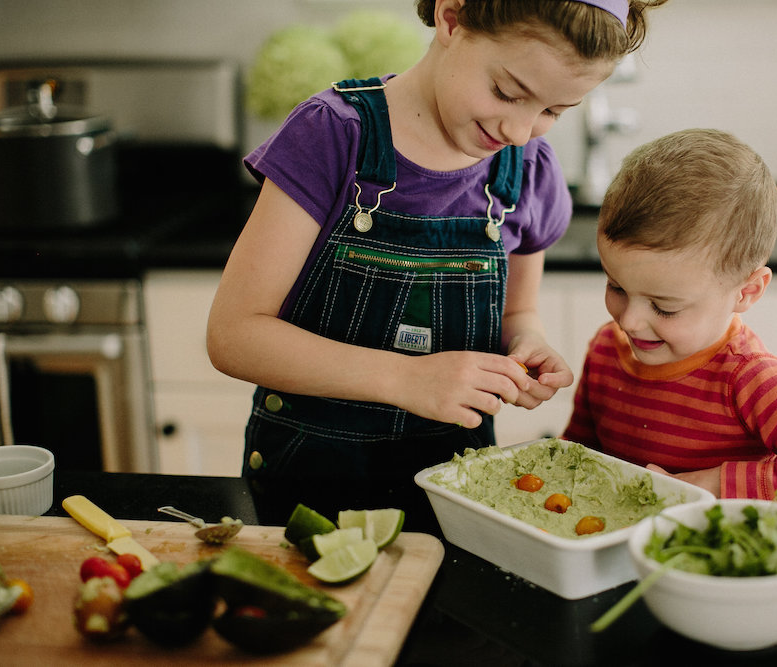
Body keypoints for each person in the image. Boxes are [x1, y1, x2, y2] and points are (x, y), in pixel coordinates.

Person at [207, 0, 670, 530]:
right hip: (308, 492)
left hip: (458, 496)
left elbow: (518, 313)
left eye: (551, 112)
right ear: (453, 18)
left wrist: (527, 347)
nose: (520, 131)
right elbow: (234, 335)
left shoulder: (530, 170)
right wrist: (406, 379)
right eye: (507, 92)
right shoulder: (332, 134)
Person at [562, 129, 777, 524]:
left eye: (664, 308)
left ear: (747, 292)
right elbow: (575, 459)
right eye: (616, 286)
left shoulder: (750, 380)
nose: (628, 321)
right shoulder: (605, 349)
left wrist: (711, 486)